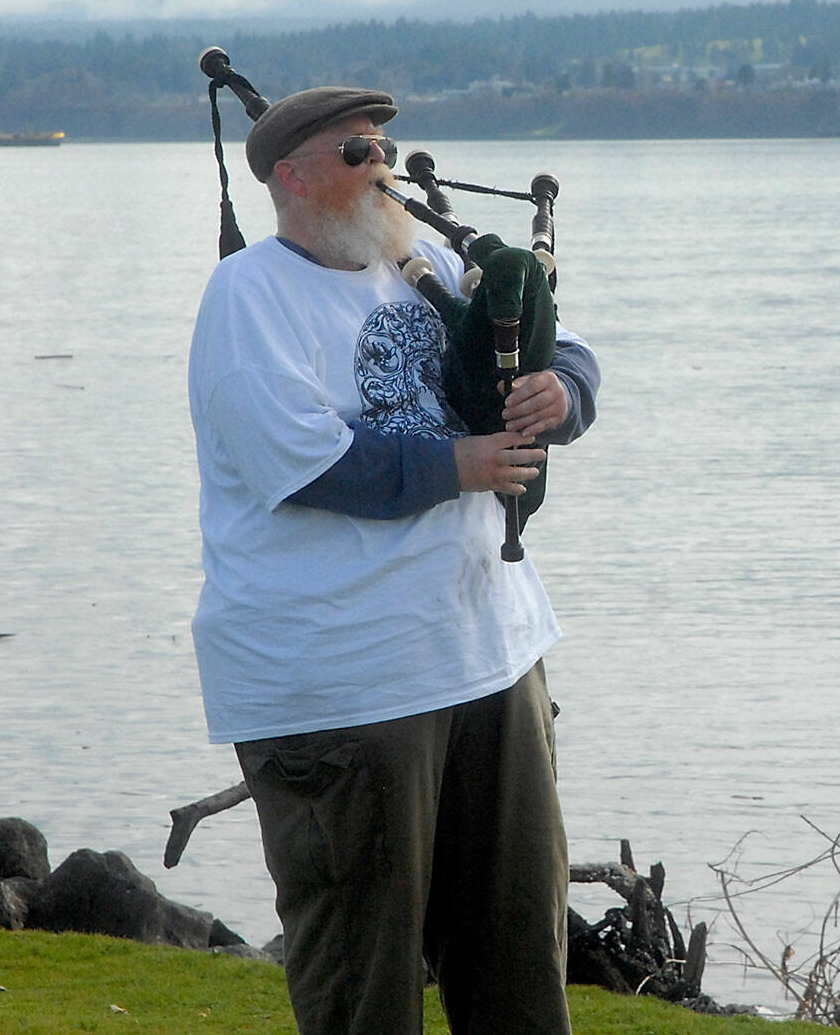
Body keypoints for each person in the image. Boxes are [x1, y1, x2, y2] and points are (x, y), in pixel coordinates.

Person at [185, 84, 598, 1034]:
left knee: (520, 966)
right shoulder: (248, 296)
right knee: (363, 986)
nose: (381, 166)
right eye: (356, 151)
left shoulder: (431, 261)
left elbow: (564, 340)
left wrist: (557, 392)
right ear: (289, 175)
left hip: (491, 659)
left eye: (383, 147)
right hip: (343, 689)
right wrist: (468, 462)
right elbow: (309, 460)